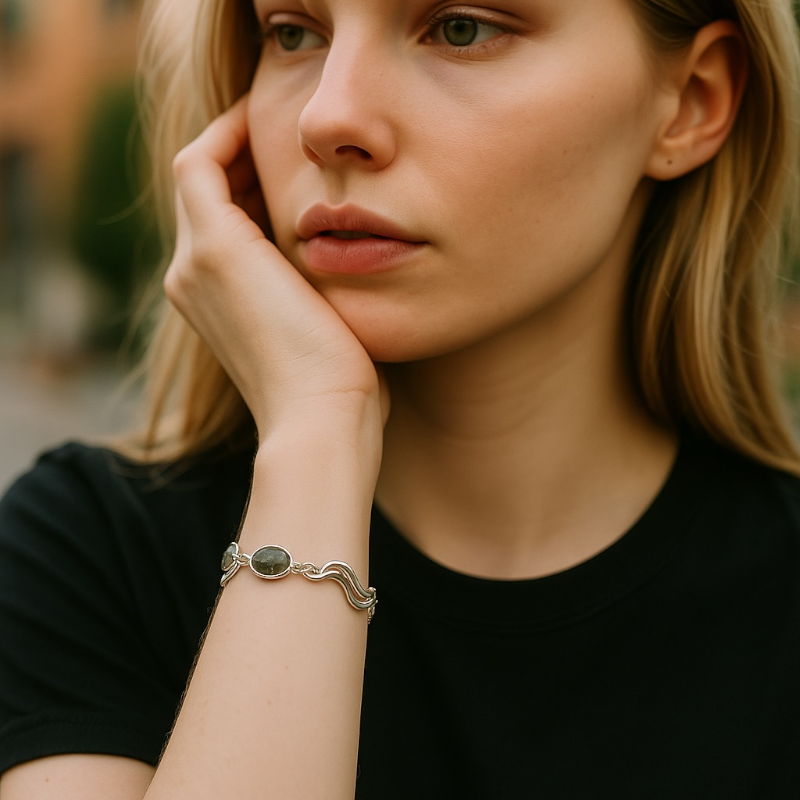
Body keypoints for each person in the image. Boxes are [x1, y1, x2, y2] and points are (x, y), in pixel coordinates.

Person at [1, 0, 799, 796]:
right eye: (293, 33)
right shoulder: (86, 558)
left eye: (461, 27)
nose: (328, 116)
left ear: (693, 102)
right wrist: (320, 436)